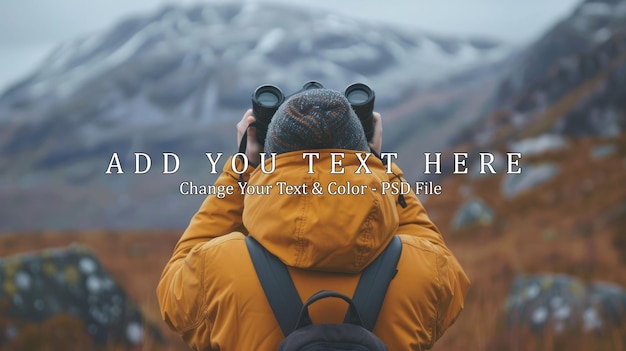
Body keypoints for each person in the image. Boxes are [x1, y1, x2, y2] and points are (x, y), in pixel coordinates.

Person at [157, 88, 470, 350]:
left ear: (270, 157)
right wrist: (378, 164)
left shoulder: (215, 268)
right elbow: (440, 260)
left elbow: (172, 292)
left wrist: (241, 168)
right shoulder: (425, 269)